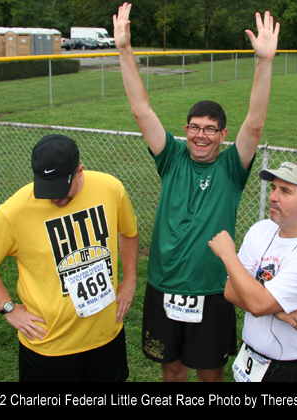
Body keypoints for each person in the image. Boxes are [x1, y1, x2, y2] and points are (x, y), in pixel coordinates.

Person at [113, 3, 279, 382]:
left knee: (209, 372)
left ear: (222, 134)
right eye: (194, 127)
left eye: (209, 129)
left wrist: (264, 61)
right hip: (164, 284)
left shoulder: (231, 168)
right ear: (186, 129)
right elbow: (141, 111)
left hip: (212, 288)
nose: (200, 135)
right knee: (172, 369)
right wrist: (124, 49)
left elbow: (255, 124)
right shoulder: (171, 158)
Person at [0, 134, 139, 382]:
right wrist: (9, 308)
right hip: (50, 345)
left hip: (106, 335)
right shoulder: (17, 210)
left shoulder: (110, 188)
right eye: (47, 187)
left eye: (60, 188)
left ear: (79, 171)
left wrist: (129, 281)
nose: (54, 197)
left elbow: (129, 232)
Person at [209, 162, 297, 382]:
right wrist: (275, 310)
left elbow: (257, 304)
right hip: (250, 357)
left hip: (290, 368)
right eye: (273, 188)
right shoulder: (261, 230)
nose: (273, 197)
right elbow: (230, 290)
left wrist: (228, 256)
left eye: (285, 191)